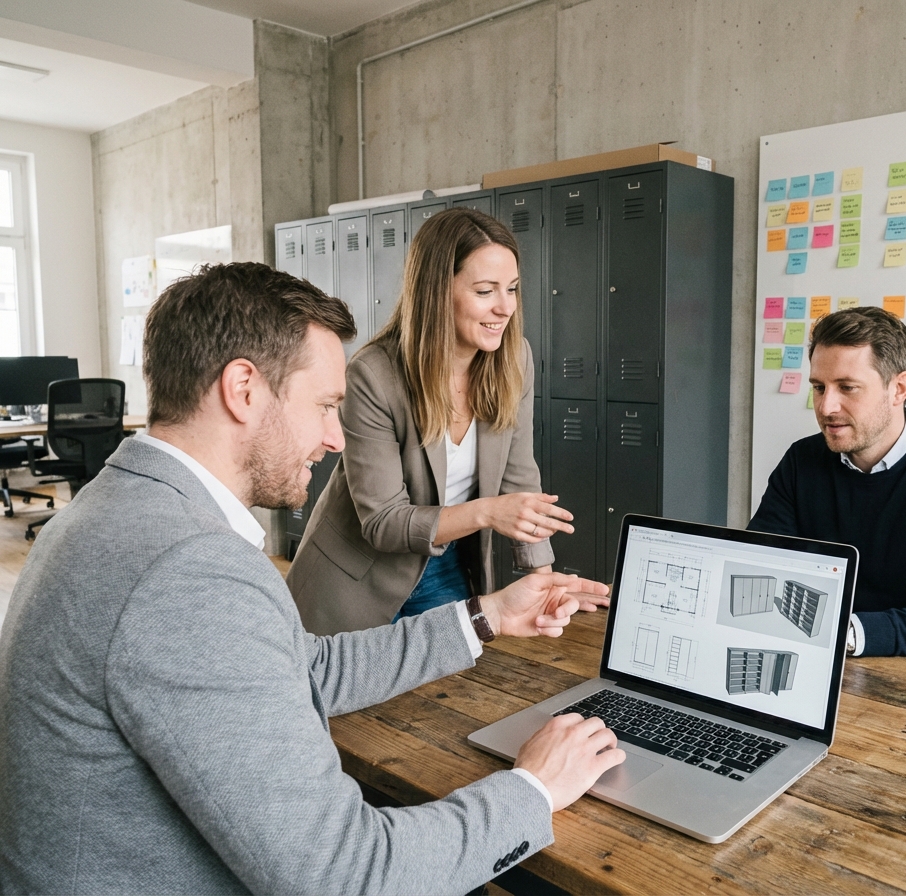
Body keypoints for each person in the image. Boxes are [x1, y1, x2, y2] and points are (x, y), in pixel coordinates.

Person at [0, 263, 625, 895]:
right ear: (243, 388)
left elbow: (307, 671)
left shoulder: (114, 514)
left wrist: (487, 614)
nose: (333, 438)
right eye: (326, 406)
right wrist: (535, 788)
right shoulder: (188, 572)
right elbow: (344, 875)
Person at [288, 207, 578, 634]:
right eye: (485, 291)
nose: (505, 308)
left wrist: (543, 581)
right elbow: (384, 523)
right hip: (357, 581)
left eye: (512, 289)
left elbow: (519, 480)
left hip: (447, 564)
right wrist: (486, 512)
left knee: (456, 691)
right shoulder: (374, 374)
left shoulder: (514, 359)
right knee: (352, 695)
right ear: (438, 290)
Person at [748, 306, 906, 657]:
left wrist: (849, 633)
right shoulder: (802, 460)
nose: (826, 407)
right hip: (814, 661)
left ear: (899, 388)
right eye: (818, 387)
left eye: (847, 388)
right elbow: (758, 565)